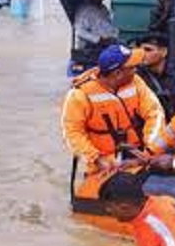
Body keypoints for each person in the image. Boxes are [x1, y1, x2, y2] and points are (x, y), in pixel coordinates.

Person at [61, 45, 164, 175]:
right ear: (117, 73)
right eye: (131, 67)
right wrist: (96, 158)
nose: (136, 70)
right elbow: (72, 133)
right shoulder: (79, 94)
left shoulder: (136, 82)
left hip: (136, 157)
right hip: (101, 164)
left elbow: (155, 113)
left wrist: (149, 150)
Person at [135, 34, 175, 119]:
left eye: (148, 50)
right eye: (141, 50)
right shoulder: (136, 77)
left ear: (164, 52)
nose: (143, 54)